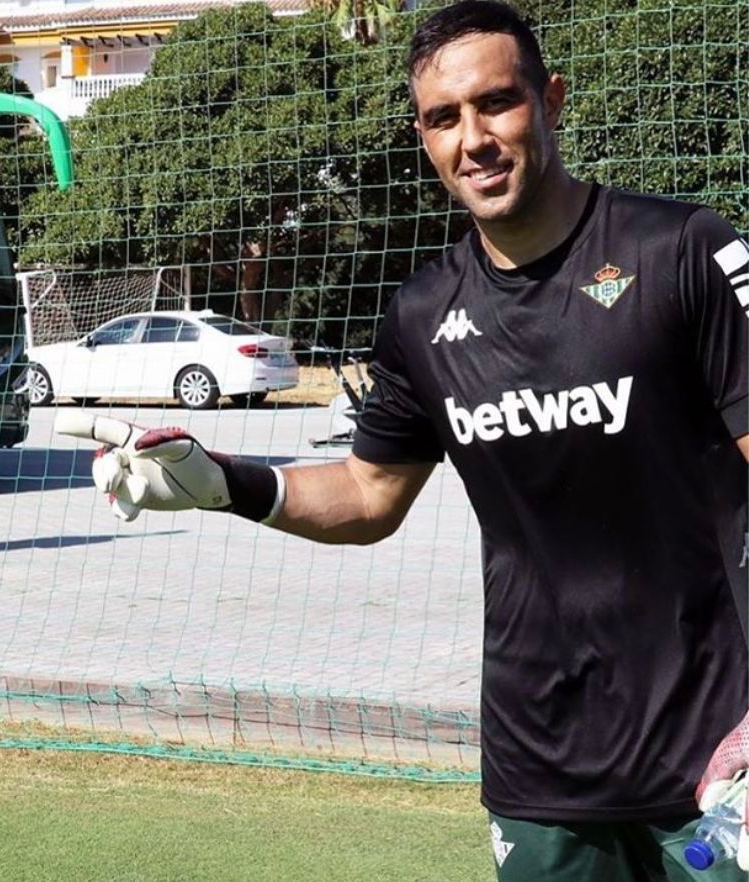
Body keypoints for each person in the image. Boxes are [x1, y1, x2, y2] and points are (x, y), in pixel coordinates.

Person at [58, 2, 749, 880]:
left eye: (497, 103)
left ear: (553, 101)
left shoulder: (684, 250)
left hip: (720, 759)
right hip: (540, 770)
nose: (475, 139)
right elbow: (369, 494)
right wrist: (221, 481)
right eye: (443, 118)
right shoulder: (424, 315)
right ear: (424, 138)